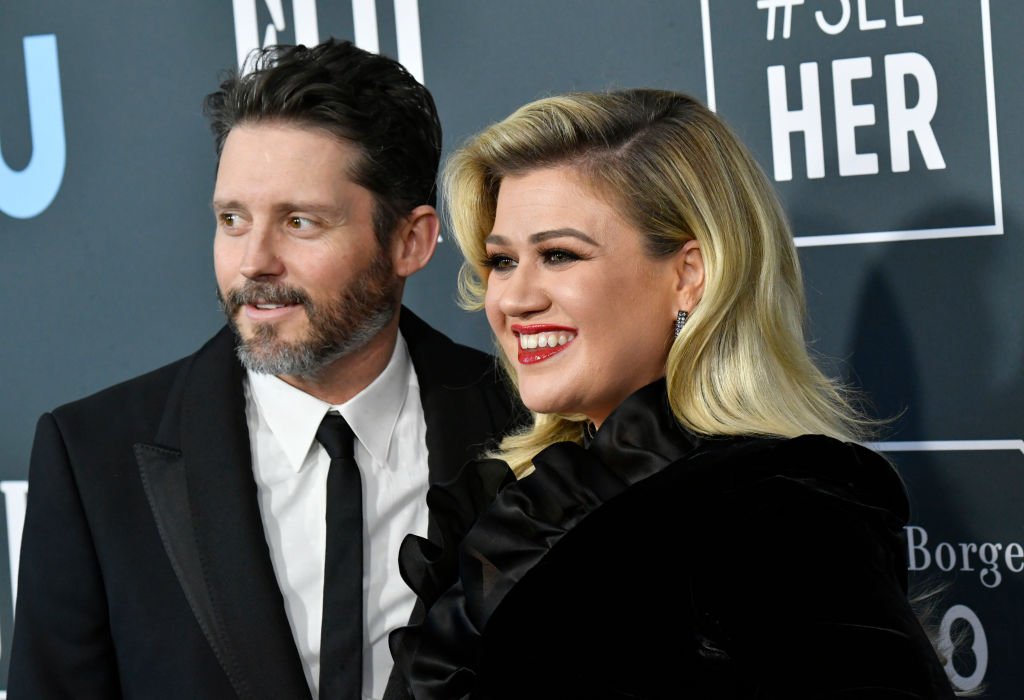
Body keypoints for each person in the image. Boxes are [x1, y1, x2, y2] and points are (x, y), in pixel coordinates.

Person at [388, 89, 957, 698]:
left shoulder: (780, 512)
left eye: (558, 255)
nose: (515, 299)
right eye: (502, 261)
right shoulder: (527, 499)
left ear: (689, 274)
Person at [9, 39, 520, 700]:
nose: (254, 262)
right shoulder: (93, 459)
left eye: (300, 221)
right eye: (232, 220)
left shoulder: (529, 429)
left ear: (410, 241)